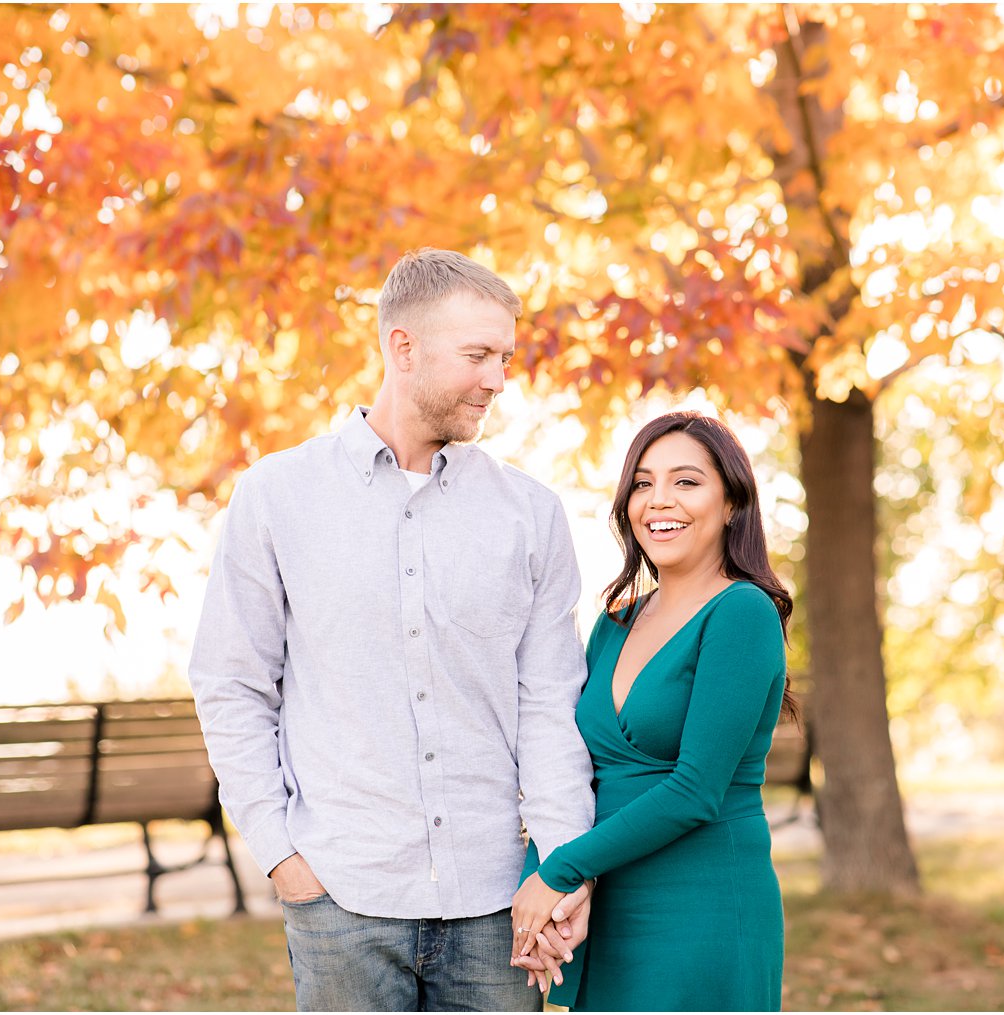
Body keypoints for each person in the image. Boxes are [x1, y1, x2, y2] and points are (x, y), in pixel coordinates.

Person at [188, 248, 595, 1012]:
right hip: (342, 895)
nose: (498, 379)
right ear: (401, 347)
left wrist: (561, 863)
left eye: (505, 356)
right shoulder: (279, 496)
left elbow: (549, 702)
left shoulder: (530, 515)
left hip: (497, 903)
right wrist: (284, 859)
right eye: (477, 354)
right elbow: (231, 684)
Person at [510, 411, 796, 1011]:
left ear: (732, 503)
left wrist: (560, 871)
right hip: (606, 900)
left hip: (703, 904)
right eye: (643, 483)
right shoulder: (615, 621)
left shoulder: (743, 614)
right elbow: (576, 766)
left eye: (686, 482)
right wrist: (552, 885)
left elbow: (696, 790)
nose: (659, 500)